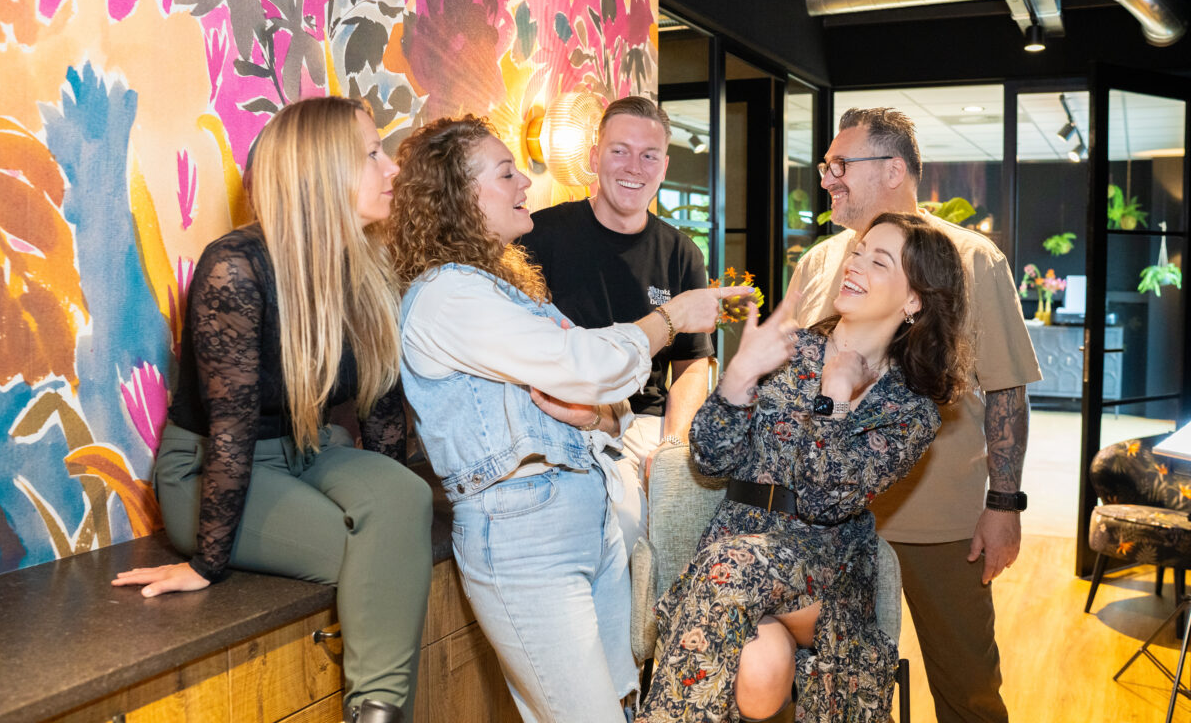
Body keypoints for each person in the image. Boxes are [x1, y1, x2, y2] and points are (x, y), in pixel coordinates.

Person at [386, 115, 751, 723]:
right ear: (460, 195)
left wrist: (602, 420)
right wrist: (671, 318)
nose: (525, 181)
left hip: (586, 509)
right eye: (506, 173)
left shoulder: (501, 287)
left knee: (623, 703)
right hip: (524, 533)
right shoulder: (449, 296)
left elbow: (604, 398)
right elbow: (589, 363)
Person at [112, 97, 433, 723]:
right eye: (372, 153)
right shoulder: (235, 266)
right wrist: (207, 563)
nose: (391, 166)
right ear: (321, 171)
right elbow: (229, 428)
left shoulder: (368, 261)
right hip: (213, 470)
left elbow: (382, 405)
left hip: (309, 448)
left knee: (406, 503)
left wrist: (391, 494)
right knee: (381, 556)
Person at [638, 212, 971, 723]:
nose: (854, 265)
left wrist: (834, 395)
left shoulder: (911, 408)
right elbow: (708, 459)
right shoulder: (788, 350)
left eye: (878, 261)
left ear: (914, 300)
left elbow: (824, 500)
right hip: (737, 545)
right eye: (857, 252)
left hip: (826, 572)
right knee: (758, 675)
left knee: (733, 567)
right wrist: (739, 375)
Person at [788, 107, 1041, 722]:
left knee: (968, 687)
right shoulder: (820, 263)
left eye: (841, 164)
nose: (827, 178)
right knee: (829, 691)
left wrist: (1004, 505)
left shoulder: (971, 259)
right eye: (826, 166)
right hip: (828, 522)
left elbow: (1006, 391)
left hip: (940, 524)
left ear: (893, 170)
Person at [518, 96, 713, 552]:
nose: (634, 168)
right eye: (619, 150)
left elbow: (691, 364)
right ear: (593, 157)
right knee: (620, 523)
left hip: (643, 421)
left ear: (664, 168)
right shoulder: (538, 237)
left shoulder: (682, 254)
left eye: (649, 156)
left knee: (690, 521)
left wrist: (672, 448)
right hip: (560, 415)